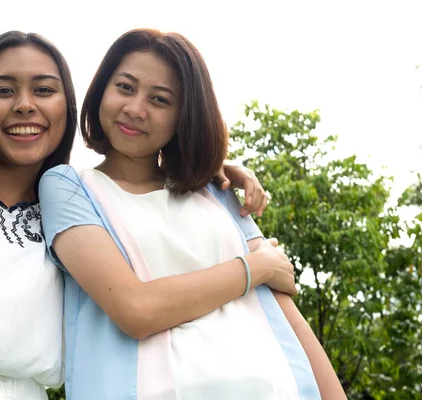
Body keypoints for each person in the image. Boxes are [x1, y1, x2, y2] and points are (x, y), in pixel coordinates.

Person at [0, 31, 267, 400]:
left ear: (69, 106)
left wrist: (214, 170)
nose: (24, 105)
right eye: (3, 90)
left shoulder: (81, 213)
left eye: (43, 90)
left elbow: (153, 226)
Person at [39, 29, 346, 399]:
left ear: (184, 115)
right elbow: (135, 310)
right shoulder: (69, 187)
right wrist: (255, 268)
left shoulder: (217, 191)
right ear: (102, 89)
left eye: (160, 99)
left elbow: (282, 305)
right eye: (125, 87)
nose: (136, 109)